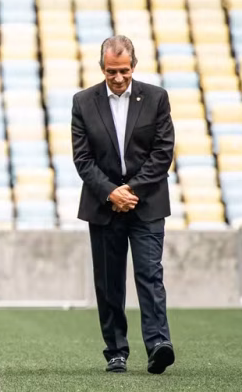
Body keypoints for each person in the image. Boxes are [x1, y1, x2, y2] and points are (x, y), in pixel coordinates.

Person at [71, 35, 175, 374]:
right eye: (112, 71)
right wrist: (111, 193)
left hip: (147, 204)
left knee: (149, 273)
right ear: (101, 67)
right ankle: (116, 350)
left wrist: (130, 190)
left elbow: (163, 153)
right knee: (108, 281)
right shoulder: (83, 102)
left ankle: (159, 343)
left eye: (125, 71)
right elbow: (82, 159)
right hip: (103, 206)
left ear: (134, 66)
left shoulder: (157, 98)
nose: (118, 78)